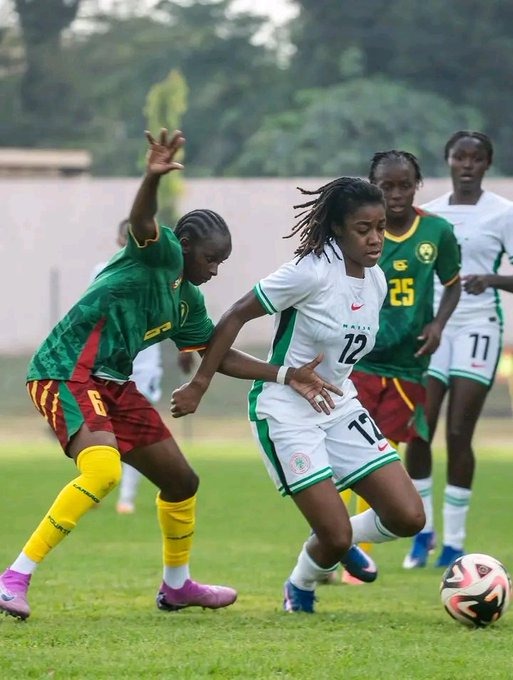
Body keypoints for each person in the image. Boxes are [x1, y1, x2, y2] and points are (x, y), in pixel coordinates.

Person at [0, 128, 340, 620]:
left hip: (114, 383)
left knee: (181, 481)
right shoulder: (157, 255)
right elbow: (141, 218)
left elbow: (216, 355)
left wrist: (285, 374)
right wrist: (151, 177)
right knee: (102, 470)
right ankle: (14, 577)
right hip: (65, 372)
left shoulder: (189, 302)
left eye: (222, 262)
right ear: (183, 246)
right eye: (210, 259)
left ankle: (177, 587)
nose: (216, 269)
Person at [170, 176, 425, 613]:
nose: (375, 238)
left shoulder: (377, 280)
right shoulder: (309, 271)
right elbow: (234, 316)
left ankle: (339, 537)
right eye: (363, 228)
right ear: (338, 228)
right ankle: (300, 585)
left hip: (338, 403)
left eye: (381, 227)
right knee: (335, 535)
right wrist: (199, 384)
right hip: (286, 409)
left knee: (408, 518)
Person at [339, 150, 461, 581]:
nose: (395, 193)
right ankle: (353, 550)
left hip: (411, 364)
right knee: (362, 453)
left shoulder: (436, 232)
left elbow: (452, 285)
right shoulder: (354, 230)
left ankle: (422, 531)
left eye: (403, 184)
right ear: (371, 185)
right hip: (360, 361)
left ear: (417, 185)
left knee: (413, 446)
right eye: (385, 185)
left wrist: (439, 324)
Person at [403, 131, 513, 569]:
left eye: (476, 158)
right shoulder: (428, 214)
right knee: (420, 430)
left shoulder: (503, 213)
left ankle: (456, 541)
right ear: (447, 161)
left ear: (487, 164)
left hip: (478, 326)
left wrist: (493, 280)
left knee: (457, 435)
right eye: (459, 157)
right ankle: (422, 534)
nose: (467, 164)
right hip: (433, 327)